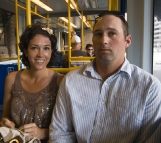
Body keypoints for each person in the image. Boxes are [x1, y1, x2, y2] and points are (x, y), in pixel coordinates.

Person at [48, 11, 161, 143]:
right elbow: (59, 134)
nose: (104, 40)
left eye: (112, 33)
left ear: (127, 41)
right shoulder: (70, 81)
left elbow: (149, 139)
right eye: (98, 34)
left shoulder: (149, 87)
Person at [0, 24, 64, 142]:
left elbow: (69, 128)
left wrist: (43, 133)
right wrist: (5, 122)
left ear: (51, 52)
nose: (40, 54)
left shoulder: (60, 81)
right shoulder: (12, 79)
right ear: (25, 50)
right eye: (34, 47)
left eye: (46, 48)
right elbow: (5, 116)